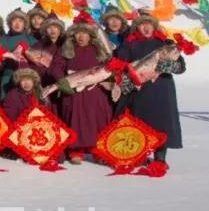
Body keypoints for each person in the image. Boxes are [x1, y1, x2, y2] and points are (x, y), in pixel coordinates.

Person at [116, 13, 184, 167]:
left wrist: (167, 66)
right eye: (142, 24)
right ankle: (139, 154)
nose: (146, 27)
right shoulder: (129, 44)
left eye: (149, 24)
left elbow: (181, 67)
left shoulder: (165, 43)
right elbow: (119, 64)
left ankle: (160, 157)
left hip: (162, 90)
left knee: (162, 123)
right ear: (136, 27)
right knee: (140, 122)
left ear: (154, 26)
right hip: (139, 91)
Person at [49, 18, 113, 164]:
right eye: (78, 33)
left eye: (84, 33)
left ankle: (98, 151)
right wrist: (62, 80)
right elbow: (56, 66)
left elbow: (110, 67)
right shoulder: (66, 49)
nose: (81, 36)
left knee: (98, 118)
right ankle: (75, 150)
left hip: (94, 90)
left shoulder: (99, 50)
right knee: (74, 118)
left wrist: (106, 81)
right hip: (73, 90)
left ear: (90, 35)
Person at [0, 8, 37, 98]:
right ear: (10, 24)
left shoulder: (31, 39)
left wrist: (25, 49)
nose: (17, 24)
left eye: (20, 21)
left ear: (24, 24)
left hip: (27, 79)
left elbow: (39, 57)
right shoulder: (3, 39)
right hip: (8, 76)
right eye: (14, 21)